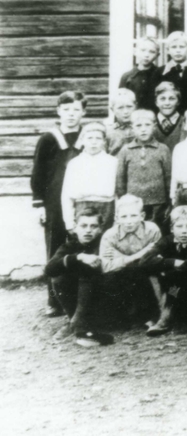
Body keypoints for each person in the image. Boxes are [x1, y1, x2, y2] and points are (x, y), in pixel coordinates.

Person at [33, 90, 87, 314]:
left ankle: (82, 298)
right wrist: (39, 204)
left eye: (76, 110)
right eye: (66, 110)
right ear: (58, 111)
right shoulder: (48, 138)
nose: (71, 114)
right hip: (54, 202)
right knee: (55, 246)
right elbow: (38, 173)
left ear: (83, 112)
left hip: (82, 198)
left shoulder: (88, 136)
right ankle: (54, 300)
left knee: (82, 242)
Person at [45, 207, 110, 346]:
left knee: (90, 268)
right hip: (80, 301)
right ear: (75, 228)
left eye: (93, 226)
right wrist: (79, 257)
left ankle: (76, 324)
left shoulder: (105, 243)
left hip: (104, 299)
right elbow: (49, 269)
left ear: (100, 229)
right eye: (83, 226)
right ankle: (75, 320)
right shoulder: (69, 246)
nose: (88, 230)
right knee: (58, 276)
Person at [99, 194, 165, 327]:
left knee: (153, 273)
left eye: (133, 216)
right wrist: (138, 256)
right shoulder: (110, 236)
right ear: (116, 218)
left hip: (147, 274)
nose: (128, 221)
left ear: (142, 216)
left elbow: (158, 258)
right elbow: (106, 267)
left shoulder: (152, 230)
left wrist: (120, 257)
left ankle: (157, 315)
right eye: (124, 217)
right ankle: (126, 317)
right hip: (123, 277)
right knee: (111, 279)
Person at [145, 205, 187, 336]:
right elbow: (145, 260)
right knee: (151, 274)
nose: (184, 231)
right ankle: (162, 313)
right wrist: (173, 262)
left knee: (177, 277)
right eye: (179, 226)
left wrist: (165, 269)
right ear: (172, 228)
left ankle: (165, 318)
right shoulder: (166, 240)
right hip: (172, 289)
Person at [116, 108, 173, 230]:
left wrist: (169, 201)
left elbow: (169, 177)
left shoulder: (163, 149)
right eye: (138, 125)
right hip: (133, 204)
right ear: (132, 127)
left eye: (147, 125)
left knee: (156, 230)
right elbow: (120, 178)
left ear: (154, 126)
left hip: (158, 202)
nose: (143, 129)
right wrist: (124, 199)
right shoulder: (126, 150)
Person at [61, 123, 117, 232]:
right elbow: (67, 195)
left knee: (105, 243)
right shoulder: (75, 163)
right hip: (82, 207)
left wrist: (117, 219)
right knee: (84, 242)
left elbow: (118, 192)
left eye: (98, 138)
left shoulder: (113, 162)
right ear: (82, 140)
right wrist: (69, 222)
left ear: (104, 141)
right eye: (89, 138)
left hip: (107, 208)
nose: (94, 141)